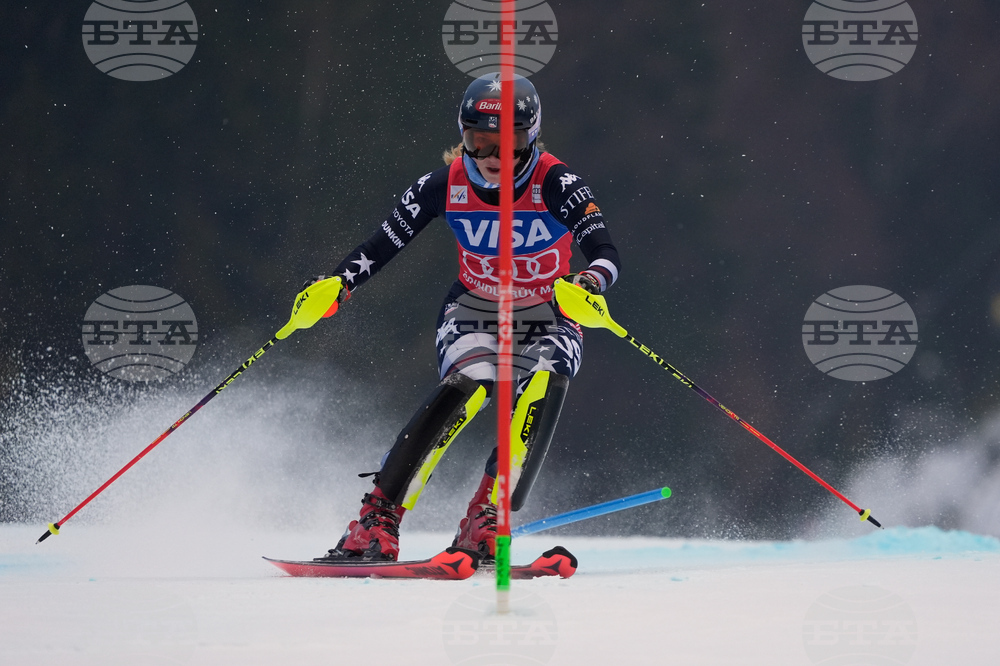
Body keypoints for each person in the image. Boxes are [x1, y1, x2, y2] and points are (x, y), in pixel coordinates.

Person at [309, 72, 621, 562]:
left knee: (546, 376)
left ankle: (487, 517)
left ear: (532, 138)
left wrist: (589, 282)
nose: (496, 157)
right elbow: (381, 245)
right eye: (481, 142)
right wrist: (337, 284)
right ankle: (376, 519)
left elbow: (603, 249)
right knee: (474, 380)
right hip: (474, 308)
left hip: (550, 312)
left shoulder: (557, 183)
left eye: (512, 143)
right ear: (464, 137)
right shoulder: (443, 184)